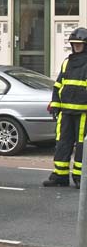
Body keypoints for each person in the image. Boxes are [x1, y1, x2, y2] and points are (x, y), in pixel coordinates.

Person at [45, 27, 87, 189]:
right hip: (65, 112)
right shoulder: (66, 63)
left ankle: (79, 177)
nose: (76, 47)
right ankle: (60, 176)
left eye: (79, 44)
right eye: (74, 44)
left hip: (83, 112)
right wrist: (55, 105)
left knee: (82, 146)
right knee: (62, 143)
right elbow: (58, 86)